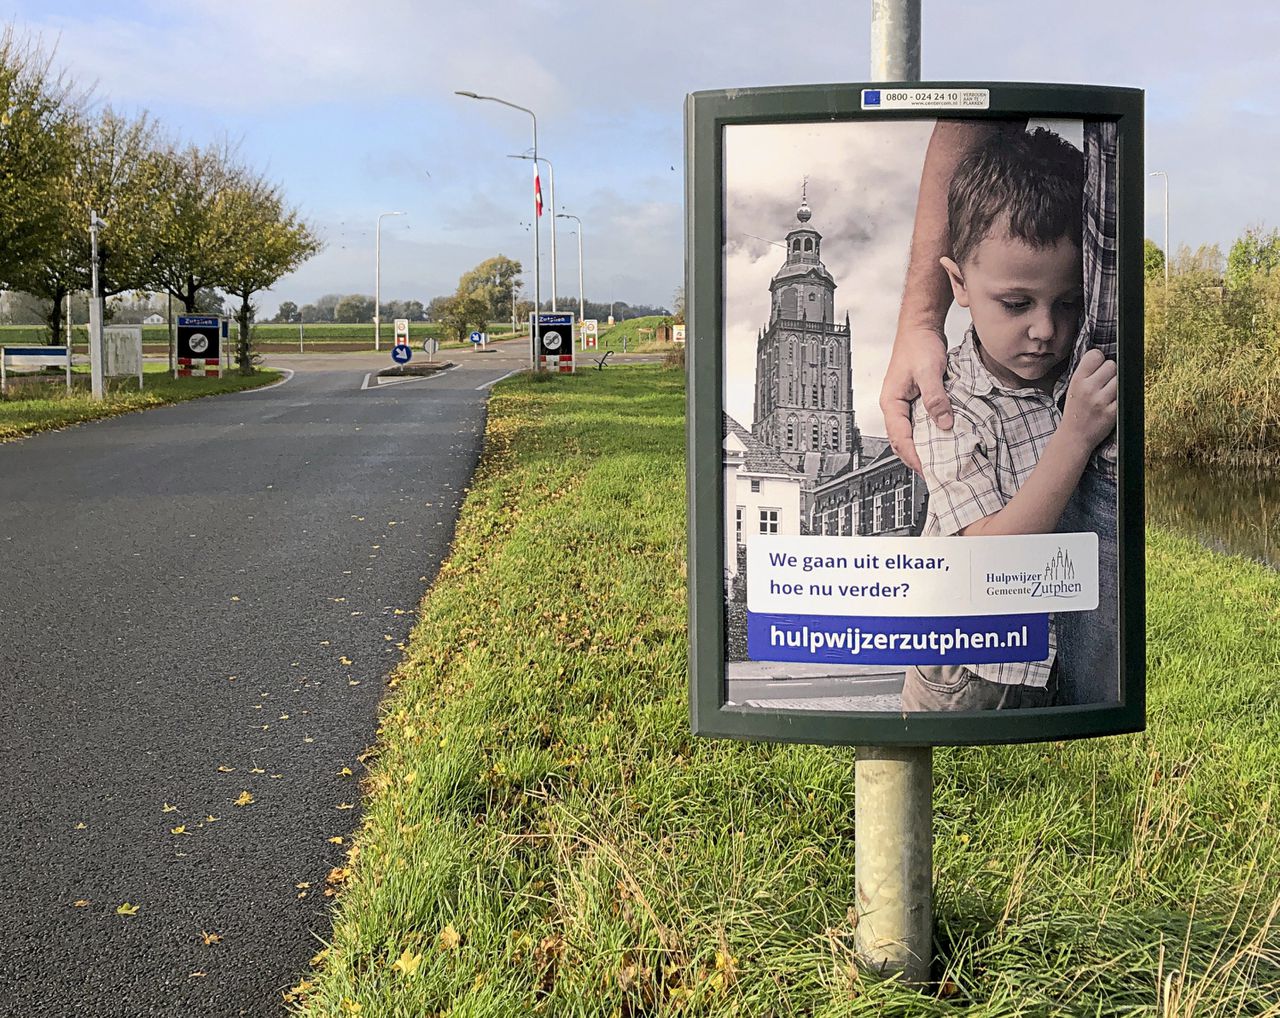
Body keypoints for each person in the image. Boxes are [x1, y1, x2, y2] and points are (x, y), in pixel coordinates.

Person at [884, 119, 1119, 707]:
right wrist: (1075, 436)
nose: (1046, 330)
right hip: (965, 670)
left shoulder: (1068, 369)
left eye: (1069, 304)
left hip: (1043, 656)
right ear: (958, 283)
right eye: (1016, 304)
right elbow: (989, 553)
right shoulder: (944, 405)